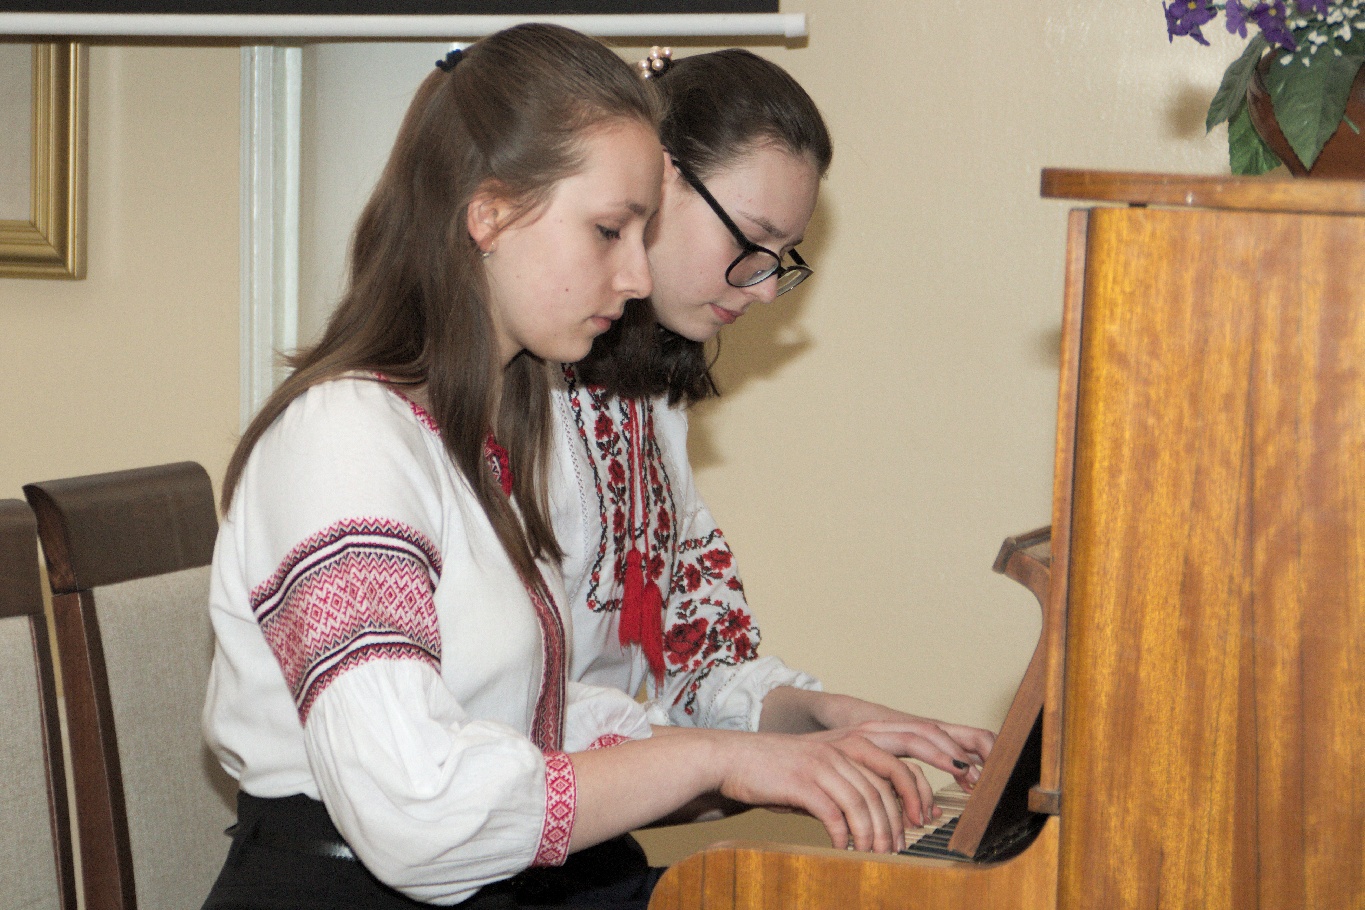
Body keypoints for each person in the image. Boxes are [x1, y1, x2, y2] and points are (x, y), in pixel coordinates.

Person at [202, 25, 925, 910]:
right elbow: (416, 813)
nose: (636, 277)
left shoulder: (482, 433)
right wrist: (717, 757)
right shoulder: (342, 436)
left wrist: (779, 751)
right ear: (490, 214)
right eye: (609, 230)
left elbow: (531, 724)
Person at [554, 47, 997, 840]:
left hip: (584, 849)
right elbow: (510, 726)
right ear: (653, 180)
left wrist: (834, 721)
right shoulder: (507, 395)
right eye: (749, 239)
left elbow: (695, 670)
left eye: (778, 258)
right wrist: (740, 761)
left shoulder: (651, 407)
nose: (762, 287)